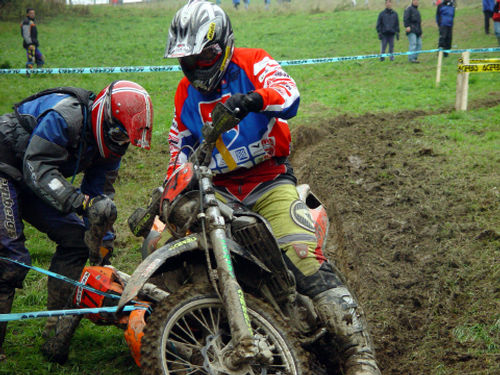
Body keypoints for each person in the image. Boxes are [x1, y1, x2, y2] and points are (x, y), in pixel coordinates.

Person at [163, 1, 382, 374]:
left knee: (301, 255)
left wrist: (255, 99)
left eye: (206, 56)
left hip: (268, 180)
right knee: (182, 257)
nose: (199, 66)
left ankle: (358, 353)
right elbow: (178, 145)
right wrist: (176, 176)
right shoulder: (185, 93)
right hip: (217, 191)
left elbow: (289, 93)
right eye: (190, 60)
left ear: (224, 46)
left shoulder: (253, 62)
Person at [0, 80, 153, 362]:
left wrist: (102, 242)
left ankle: (53, 327)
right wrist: (78, 203)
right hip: (7, 166)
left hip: (36, 177)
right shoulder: (65, 117)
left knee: (76, 240)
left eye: (125, 138)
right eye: (118, 133)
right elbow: (37, 166)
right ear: (104, 116)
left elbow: (101, 195)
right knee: (11, 259)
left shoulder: (113, 146)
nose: (120, 141)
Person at [20, 8, 45, 73]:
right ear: (27, 14)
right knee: (32, 60)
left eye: (33, 13)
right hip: (30, 44)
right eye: (31, 13)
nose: (33, 14)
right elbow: (25, 35)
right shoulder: (26, 22)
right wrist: (29, 44)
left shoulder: (31, 21)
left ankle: (38, 73)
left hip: (33, 44)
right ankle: (28, 74)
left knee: (40, 59)